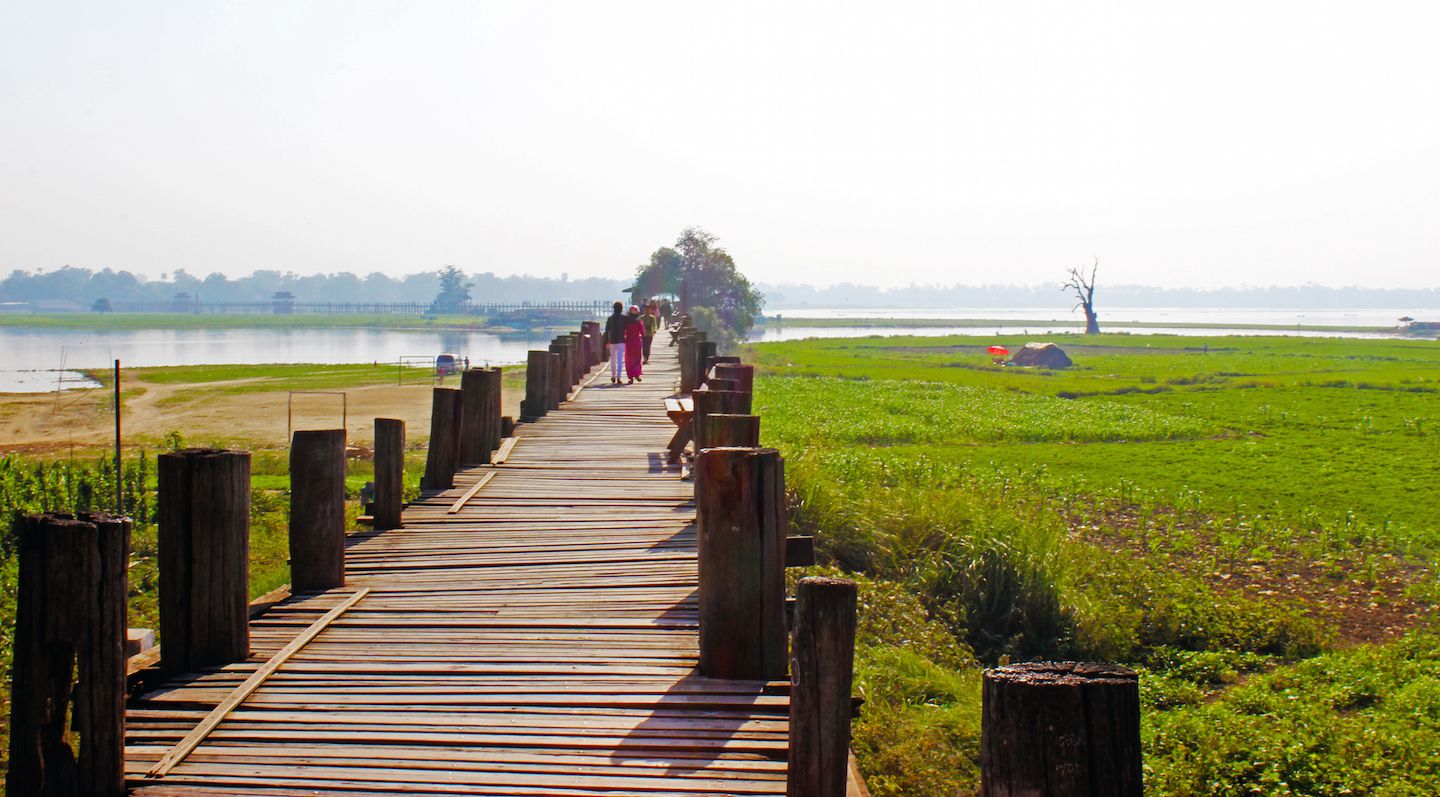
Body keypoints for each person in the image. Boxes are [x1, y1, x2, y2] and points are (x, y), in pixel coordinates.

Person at [604, 301, 627, 384]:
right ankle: (618, 377)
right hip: (621, 341)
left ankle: (613, 376)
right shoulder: (624, 318)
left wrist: (606, 341)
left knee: (613, 360)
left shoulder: (610, 319)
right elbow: (633, 322)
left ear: (613, 309)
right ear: (621, 309)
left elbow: (607, 331)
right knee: (620, 360)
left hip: (612, 341)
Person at [623, 305, 645, 383]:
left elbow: (623, 332)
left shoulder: (626, 323)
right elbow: (643, 333)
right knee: (637, 359)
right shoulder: (639, 322)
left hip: (628, 342)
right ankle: (637, 374)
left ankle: (631, 377)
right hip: (637, 342)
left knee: (629, 360)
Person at [641, 300, 659, 364]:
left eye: (648, 309)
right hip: (643, 334)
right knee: (644, 346)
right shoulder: (641, 318)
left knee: (648, 346)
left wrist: (654, 331)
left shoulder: (652, 317)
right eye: (646, 309)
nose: (647, 310)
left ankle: (646, 358)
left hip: (649, 334)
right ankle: (645, 358)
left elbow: (654, 325)